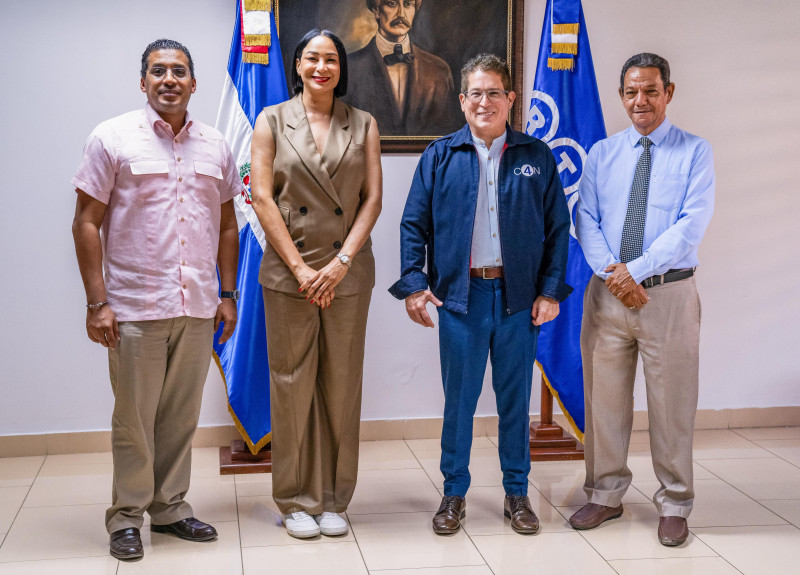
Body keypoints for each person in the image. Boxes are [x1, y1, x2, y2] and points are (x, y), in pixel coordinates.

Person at [71, 39, 242, 561]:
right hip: (135, 306)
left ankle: (169, 509)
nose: (169, 79)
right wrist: (97, 302)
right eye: (158, 71)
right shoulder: (112, 138)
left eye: (180, 71)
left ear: (194, 83)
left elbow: (229, 225)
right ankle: (126, 516)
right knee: (135, 418)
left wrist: (228, 293)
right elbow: (86, 222)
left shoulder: (215, 144)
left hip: (196, 306)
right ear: (142, 82)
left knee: (179, 416)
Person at [389, 54, 572, 535]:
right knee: (460, 403)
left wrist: (550, 291)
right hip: (460, 299)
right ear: (462, 100)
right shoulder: (440, 156)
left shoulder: (535, 156)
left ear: (511, 100)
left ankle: (517, 493)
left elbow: (558, 229)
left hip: (518, 300)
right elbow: (414, 225)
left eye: (495, 93)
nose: (484, 101)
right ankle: (454, 494)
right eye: (476, 93)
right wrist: (414, 284)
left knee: (515, 402)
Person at [571, 52, 715, 547]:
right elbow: (584, 219)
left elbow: (690, 224)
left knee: (672, 403)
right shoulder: (601, 154)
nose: (641, 100)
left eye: (651, 91)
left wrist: (635, 270)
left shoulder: (695, 152)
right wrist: (615, 276)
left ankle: (675, 502)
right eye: (632, 91)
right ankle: (605, 494)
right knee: (603, 399)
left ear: (668, 93)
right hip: (606, 297)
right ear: (621, 95)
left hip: (668, 295)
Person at [249, 29, 382, 539]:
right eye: (312, 58)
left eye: (331, 59)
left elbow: (371, 198)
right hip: (291, 274)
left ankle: (333, 499)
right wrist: (305, 271)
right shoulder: (271, 120)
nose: (322, 67)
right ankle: (294, 499)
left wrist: (342, 261)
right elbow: (262, 198)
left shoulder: (363, 123)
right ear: (297, 65)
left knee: (342, 386)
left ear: (340, 68)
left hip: (346, 272)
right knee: (291, 386)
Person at [344, 0, 457, 136]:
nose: (401, 14)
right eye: (392, 4)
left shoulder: (439, 70)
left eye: (408, 4)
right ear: (376, 10)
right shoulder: (349, 68)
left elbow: (446, 131)